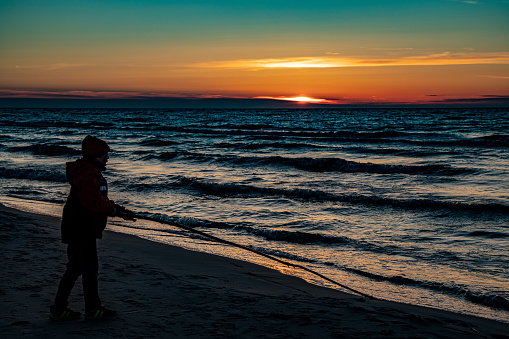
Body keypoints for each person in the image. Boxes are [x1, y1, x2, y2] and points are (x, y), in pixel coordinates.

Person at [50, 135, 136, 321]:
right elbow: (92, 202)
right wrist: (113, 211)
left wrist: (119, 210)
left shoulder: (88, 171)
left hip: (77, 226)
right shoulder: (90, 173)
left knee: (75, 268)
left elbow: (98, 199)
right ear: (97, 155)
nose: (108, 158)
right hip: (82, 228)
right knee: (88, 269)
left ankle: (59, 309)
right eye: (106, 154)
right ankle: (92, 309)